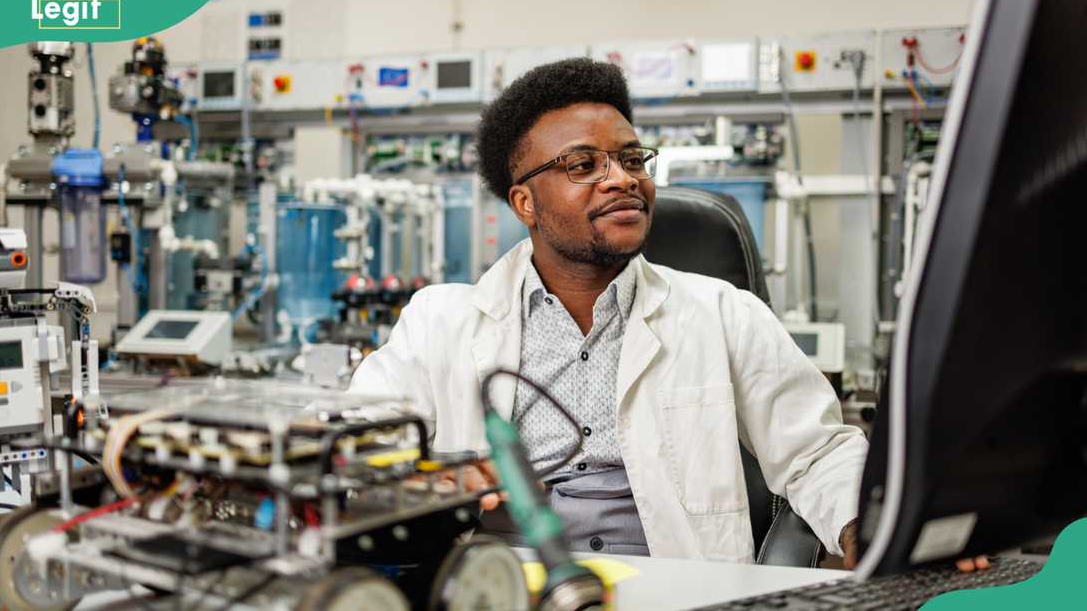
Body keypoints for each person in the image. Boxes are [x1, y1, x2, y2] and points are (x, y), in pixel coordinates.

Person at [350, 57, 869, 565]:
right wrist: (425, 484)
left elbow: (819, 453)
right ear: (525, 203)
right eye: (583, 165)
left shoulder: (723, 312)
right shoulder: (439, 322)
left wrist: (864, 530)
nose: (622, 179)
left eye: (632, 159)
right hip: (504, 585)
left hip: (676, 591)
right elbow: (356, 454)